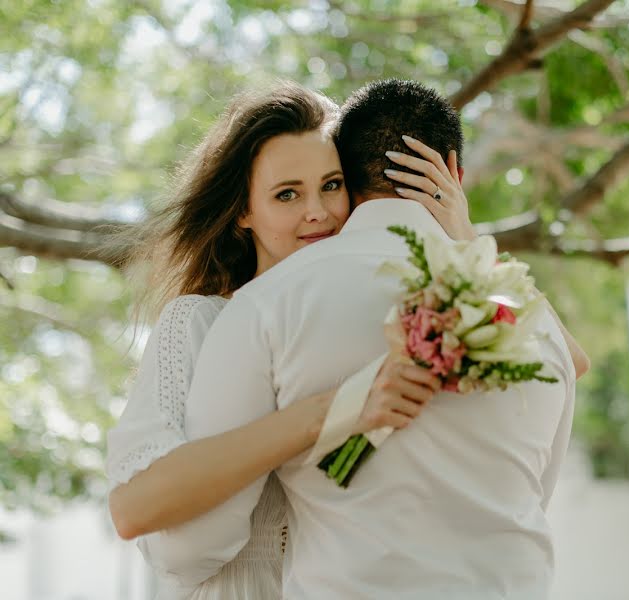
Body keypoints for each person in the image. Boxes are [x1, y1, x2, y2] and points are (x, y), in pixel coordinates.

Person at [174, 79, 584, 599]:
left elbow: (200, 535)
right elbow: (536, 493)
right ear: (457, 175)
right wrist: (471, 238)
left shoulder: (266, 305)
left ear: (343, 174)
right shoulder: (529, 320)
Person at [105, 81, 463, 599]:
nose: (317, 212)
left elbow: (568, 361)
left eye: (333, 184)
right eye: (287, 194)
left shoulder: (381, 311)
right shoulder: (200, 321)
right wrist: (333, 410)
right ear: (243, 211)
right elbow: (134, 510)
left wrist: (462, 233)